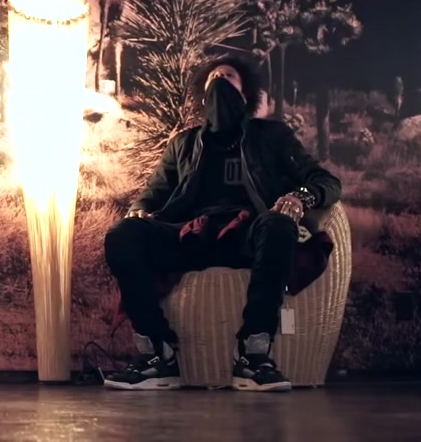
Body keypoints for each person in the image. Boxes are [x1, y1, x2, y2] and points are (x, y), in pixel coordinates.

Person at [102, 55, 341, 393]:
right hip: (191, 236)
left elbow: (325, 181)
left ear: (246, 95)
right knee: (122, 235)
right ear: (203, 99)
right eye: (213, 78)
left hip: (248, 235)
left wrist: (300, 197)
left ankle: (253, 355)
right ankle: (158, 354)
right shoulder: (183, 143)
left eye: (228, 77)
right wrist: (139, 211)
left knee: (278, 224)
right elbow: (152, 195)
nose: (219, 81)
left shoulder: (272, 135)